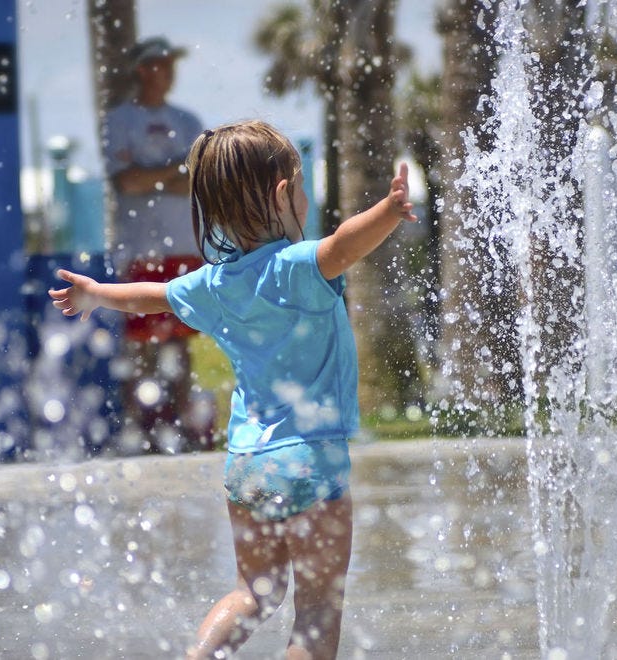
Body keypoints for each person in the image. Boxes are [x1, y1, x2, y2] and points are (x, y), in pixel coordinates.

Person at [49, 120, 417, 658]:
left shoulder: (214, 284)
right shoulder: (294, 267)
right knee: (316, 607)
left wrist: (97, 293)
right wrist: (387, 212)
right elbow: (343, 245)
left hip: (247, 463)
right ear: (283, 193)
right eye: (302, 188)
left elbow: (152, 296)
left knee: (253, 593)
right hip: (310, 461)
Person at [103, 36, 205, 452]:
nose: (168, 71)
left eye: (170, 63)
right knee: (140, 343)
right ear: (142, 69)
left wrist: (152, 175)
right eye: (160, 64)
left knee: (179, 343)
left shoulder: (188, 119)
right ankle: (140, 433)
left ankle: (180, 428)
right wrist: (171, 173)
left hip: (183, 247)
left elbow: (196, 181)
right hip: (140, 249)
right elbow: (125, 181)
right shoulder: (121, 120)